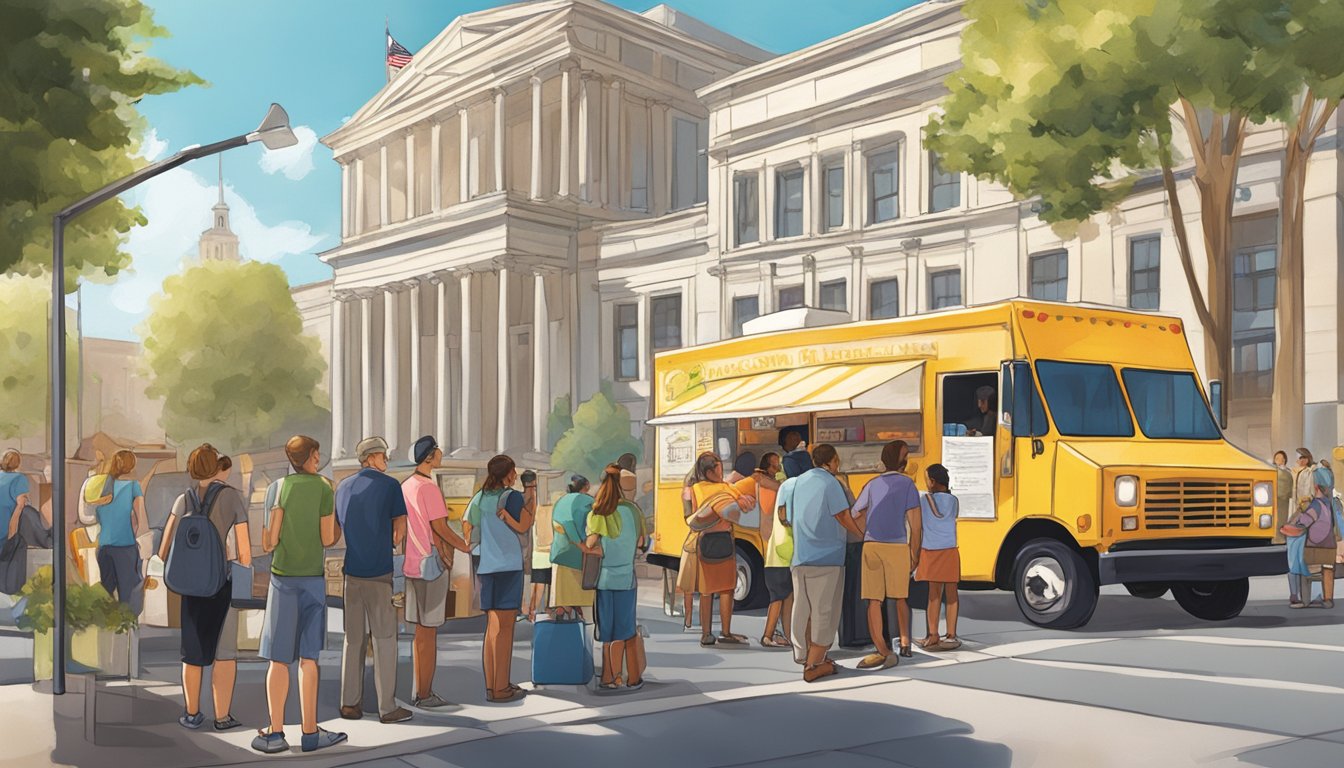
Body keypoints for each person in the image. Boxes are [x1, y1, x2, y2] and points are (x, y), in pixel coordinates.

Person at [253, 436, 346, 755]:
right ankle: (310, 732)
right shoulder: (324, 488)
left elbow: (268, 542)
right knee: (309, 658)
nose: (319, 458)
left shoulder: (277, 489)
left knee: (278, 659)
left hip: (282, 581)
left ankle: (275, 732)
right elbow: (327, 538)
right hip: (313, 581)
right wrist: (337, 527)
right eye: (317, 453)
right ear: (311, 457)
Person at [158, 444, 251, 731]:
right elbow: (245, 554)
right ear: (216, 466)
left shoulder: (182, 500)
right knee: (224, 654)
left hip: (190, 587)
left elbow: (164, 551)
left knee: (193, 653)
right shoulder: (231, 497)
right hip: (221, 584)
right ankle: (222, 717)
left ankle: (191, 713)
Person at [335, 437, 412, 725]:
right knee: (384, 639)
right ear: (372, 457)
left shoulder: (343, 487)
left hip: (351, 571)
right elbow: (399, 531)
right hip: (379, 572)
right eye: (384, 456)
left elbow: (335, 530)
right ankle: (387, 707)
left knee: (353, 639)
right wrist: (387, 544)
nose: (386, 461)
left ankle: (350, 703)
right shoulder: (390, 486)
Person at [401, 436, 469, 710]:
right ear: (430, 457)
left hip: (412, 564)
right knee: (429, 633)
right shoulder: (429, 488)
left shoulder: (406, 486)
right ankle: (425, 693)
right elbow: (440, 527)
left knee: (419, 632)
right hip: (431, 565)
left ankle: (420, 689)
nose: (441, 451)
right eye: (437, 449)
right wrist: (463, 545)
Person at [786, 444, 863, 682]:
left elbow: (788, 517)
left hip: (800, 557)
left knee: (802, 608)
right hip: (827, 558)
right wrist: (860, 534)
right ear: (832, 461)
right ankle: (814, 664)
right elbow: (842, 515)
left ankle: (803, 653)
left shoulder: (798, 483)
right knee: (824, 612)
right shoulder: (831, 483)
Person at [463, 454, 535, 703]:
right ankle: (501, 687)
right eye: (513, 472)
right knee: (505, 629)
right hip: (507, 566)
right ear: (507, 474)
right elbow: (525, 524)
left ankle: (492, 685)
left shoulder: (480, 497)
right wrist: (531, 492)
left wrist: (476, 545)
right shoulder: (511, 496)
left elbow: (467, 524)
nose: (515, 476)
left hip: (486, 566)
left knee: (492, 629)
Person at [852, 441, 922, 669]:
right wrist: (915, 554)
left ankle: (881, 647)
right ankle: (904, 642)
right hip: (897, 547)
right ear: (903, 461)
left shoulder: (872, 485)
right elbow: (916, 525)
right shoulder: (908, 485)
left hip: (872, 546)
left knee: (874, 600)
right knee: (900, 598)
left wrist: (866, 531)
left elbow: (855, 512)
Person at [585, 465, 647, 690]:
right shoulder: (633, 510)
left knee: (607, 631)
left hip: (604, 578)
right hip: (626, 578)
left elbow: (591, 544)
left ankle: (608, 678)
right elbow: (641, 543)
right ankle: (623, 677)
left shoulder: (597, 512)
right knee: (624, 628)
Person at [687, 452, 756, 647]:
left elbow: (694, 512)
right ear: (710, 471)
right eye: (718, 468)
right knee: (727, 589)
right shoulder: (724, 488)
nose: (721, 471)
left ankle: (706, 633)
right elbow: (742, 505)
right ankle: (725, 632)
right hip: (724, 539)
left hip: (705, 541)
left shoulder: (696, 489)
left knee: (706, 591)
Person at [95, 450, 148, 612]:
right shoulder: (133, 486)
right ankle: (127, 635)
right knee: (128, 598)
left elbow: (99, 516)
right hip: (125, 547)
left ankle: (109, 633)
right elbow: (142, 520)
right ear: (131, 466)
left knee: (106, 594)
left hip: (104, 546)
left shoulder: (104, 487)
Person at [917, 464, 961, 651]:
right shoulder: (954, 501)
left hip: (930, 550)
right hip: (950, 550)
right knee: (952, 595)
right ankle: (951, 635)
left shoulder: (923, 499)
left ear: (933, 482)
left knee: (933, 596)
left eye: (927, 479)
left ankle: (932, 634)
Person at [1288, 467, 1337, 609]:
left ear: (1315, 486)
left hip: (1314, 547)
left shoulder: (1315, 505)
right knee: (1328, 569)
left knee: (1303, 568)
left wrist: (1300, 511)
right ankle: (1328, 599)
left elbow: (1304, 522)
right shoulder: (1329, 503)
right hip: (1330, 546)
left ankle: (1305, 600)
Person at [550, 475, 596, 620]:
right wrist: (582, 545)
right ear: (587, 485)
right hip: (584, 559)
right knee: (587, 605)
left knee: (564, 601)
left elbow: (564, 523)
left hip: (562, 556)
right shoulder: (588, 501)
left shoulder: (561, 501)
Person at [762, 456, 796, 650]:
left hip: (776, 557)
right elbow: (786, 523)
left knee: (786, 598)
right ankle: (768, 635)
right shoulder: (786, 501)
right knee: (778, 598)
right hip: (782, 557)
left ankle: (788, 635)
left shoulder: (781, 496)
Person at [1, 449, 51, 555]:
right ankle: (46, 540)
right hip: (11, 524)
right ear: (18, 463)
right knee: (29, 513)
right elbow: (20, 504)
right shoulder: (19, 478)